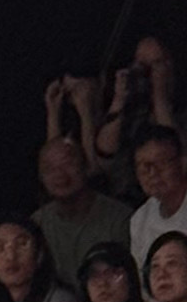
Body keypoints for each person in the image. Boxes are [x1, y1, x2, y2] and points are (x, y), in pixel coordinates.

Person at [32, 116, 133, 288]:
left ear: (86, 166)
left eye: (68, 164)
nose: (60, 174)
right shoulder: (37, 224)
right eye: (50, 169)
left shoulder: (120, 219)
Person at [125, 123, 187, 273]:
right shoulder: (139, 218)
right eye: (145, 166)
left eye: (161, 162)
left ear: (182, 163)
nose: (153, 173)